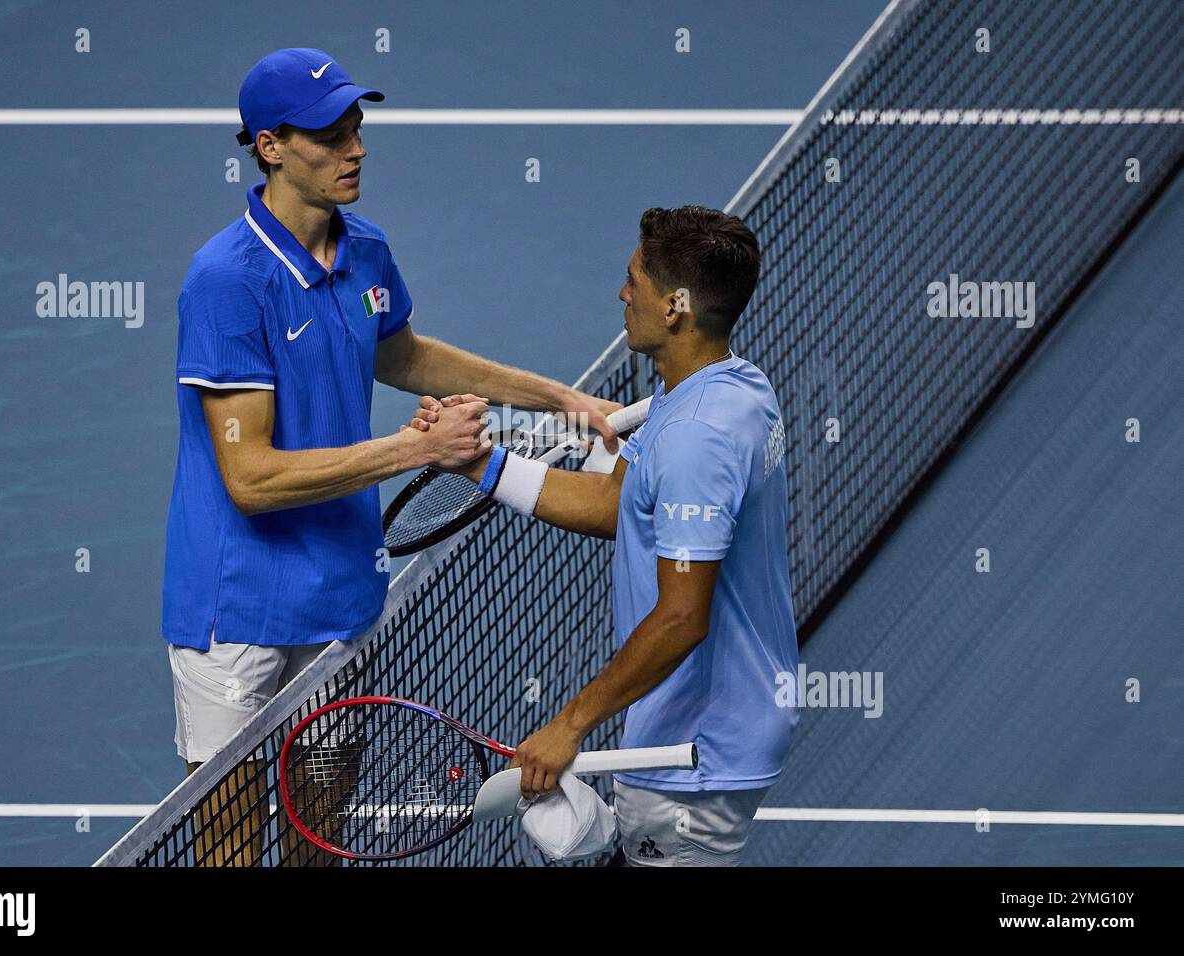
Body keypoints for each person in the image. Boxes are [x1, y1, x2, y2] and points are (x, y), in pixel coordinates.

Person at [162, 47, 620, 865]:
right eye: (329, 136)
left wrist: (558, 397)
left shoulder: (364, 248)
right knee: (227, 850)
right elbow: (252, 479)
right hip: (237, 610)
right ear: (269, 146)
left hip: (341, 594)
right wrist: (416, 449)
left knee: (320, 838)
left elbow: (401, 354)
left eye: (357, 128)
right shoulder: (226, 281)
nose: (356, 148)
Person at [416, 206, 797, 866]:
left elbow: (681, 618)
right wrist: (480, 462)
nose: (623, 295)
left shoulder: (693, 441)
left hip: (693, 758)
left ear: (674, 306)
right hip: (726, 722)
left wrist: (567, 727)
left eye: (635, 281)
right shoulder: (732, 387)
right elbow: (611, 502)